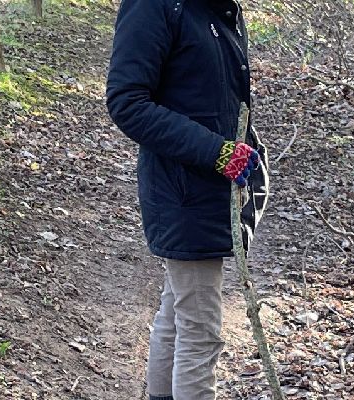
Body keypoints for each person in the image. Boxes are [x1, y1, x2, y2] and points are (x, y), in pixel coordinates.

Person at [104, 0, 264, 397]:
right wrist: (217, 152)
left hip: (208, 191)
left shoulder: (215, 9)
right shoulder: (156, 5)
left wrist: (242, 151)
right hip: (183, 193)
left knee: (177, 318)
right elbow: (127, 103)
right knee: (200, 332)